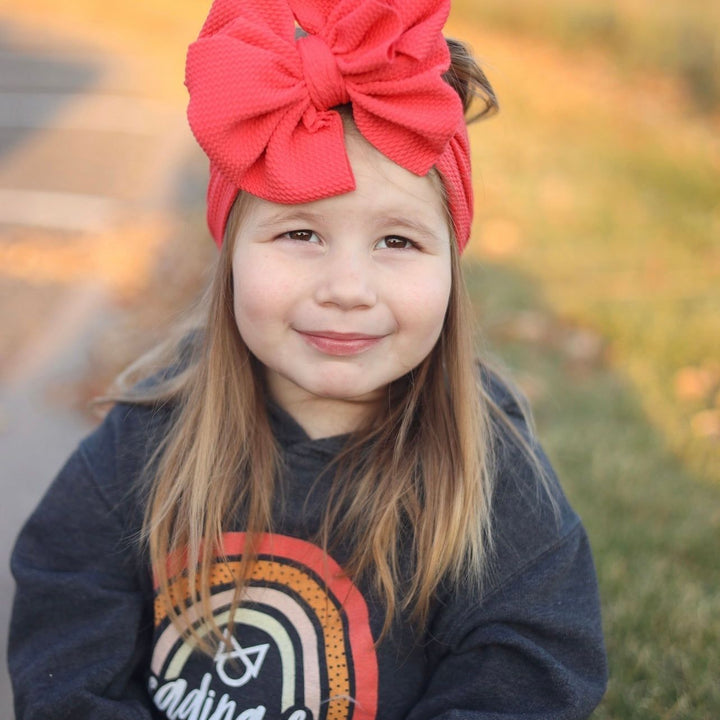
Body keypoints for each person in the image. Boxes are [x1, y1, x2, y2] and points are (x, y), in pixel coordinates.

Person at [8, 0, 607, 718]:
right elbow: (65, 627)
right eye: (300, 233)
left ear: (453, 266)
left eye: (397, 243)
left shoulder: (490, 468)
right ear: (231, 255)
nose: (347, 289)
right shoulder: (145, 441)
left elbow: (534, 663)